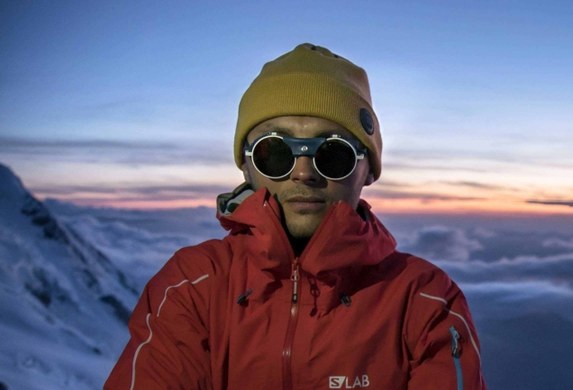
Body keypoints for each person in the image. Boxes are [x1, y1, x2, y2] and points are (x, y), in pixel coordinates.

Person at [106, 43, 486, 389]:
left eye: (332, 153)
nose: (303, 172)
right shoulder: (192, 286)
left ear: (367, 170)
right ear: (246, 167)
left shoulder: (425, 301)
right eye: (275, 153)